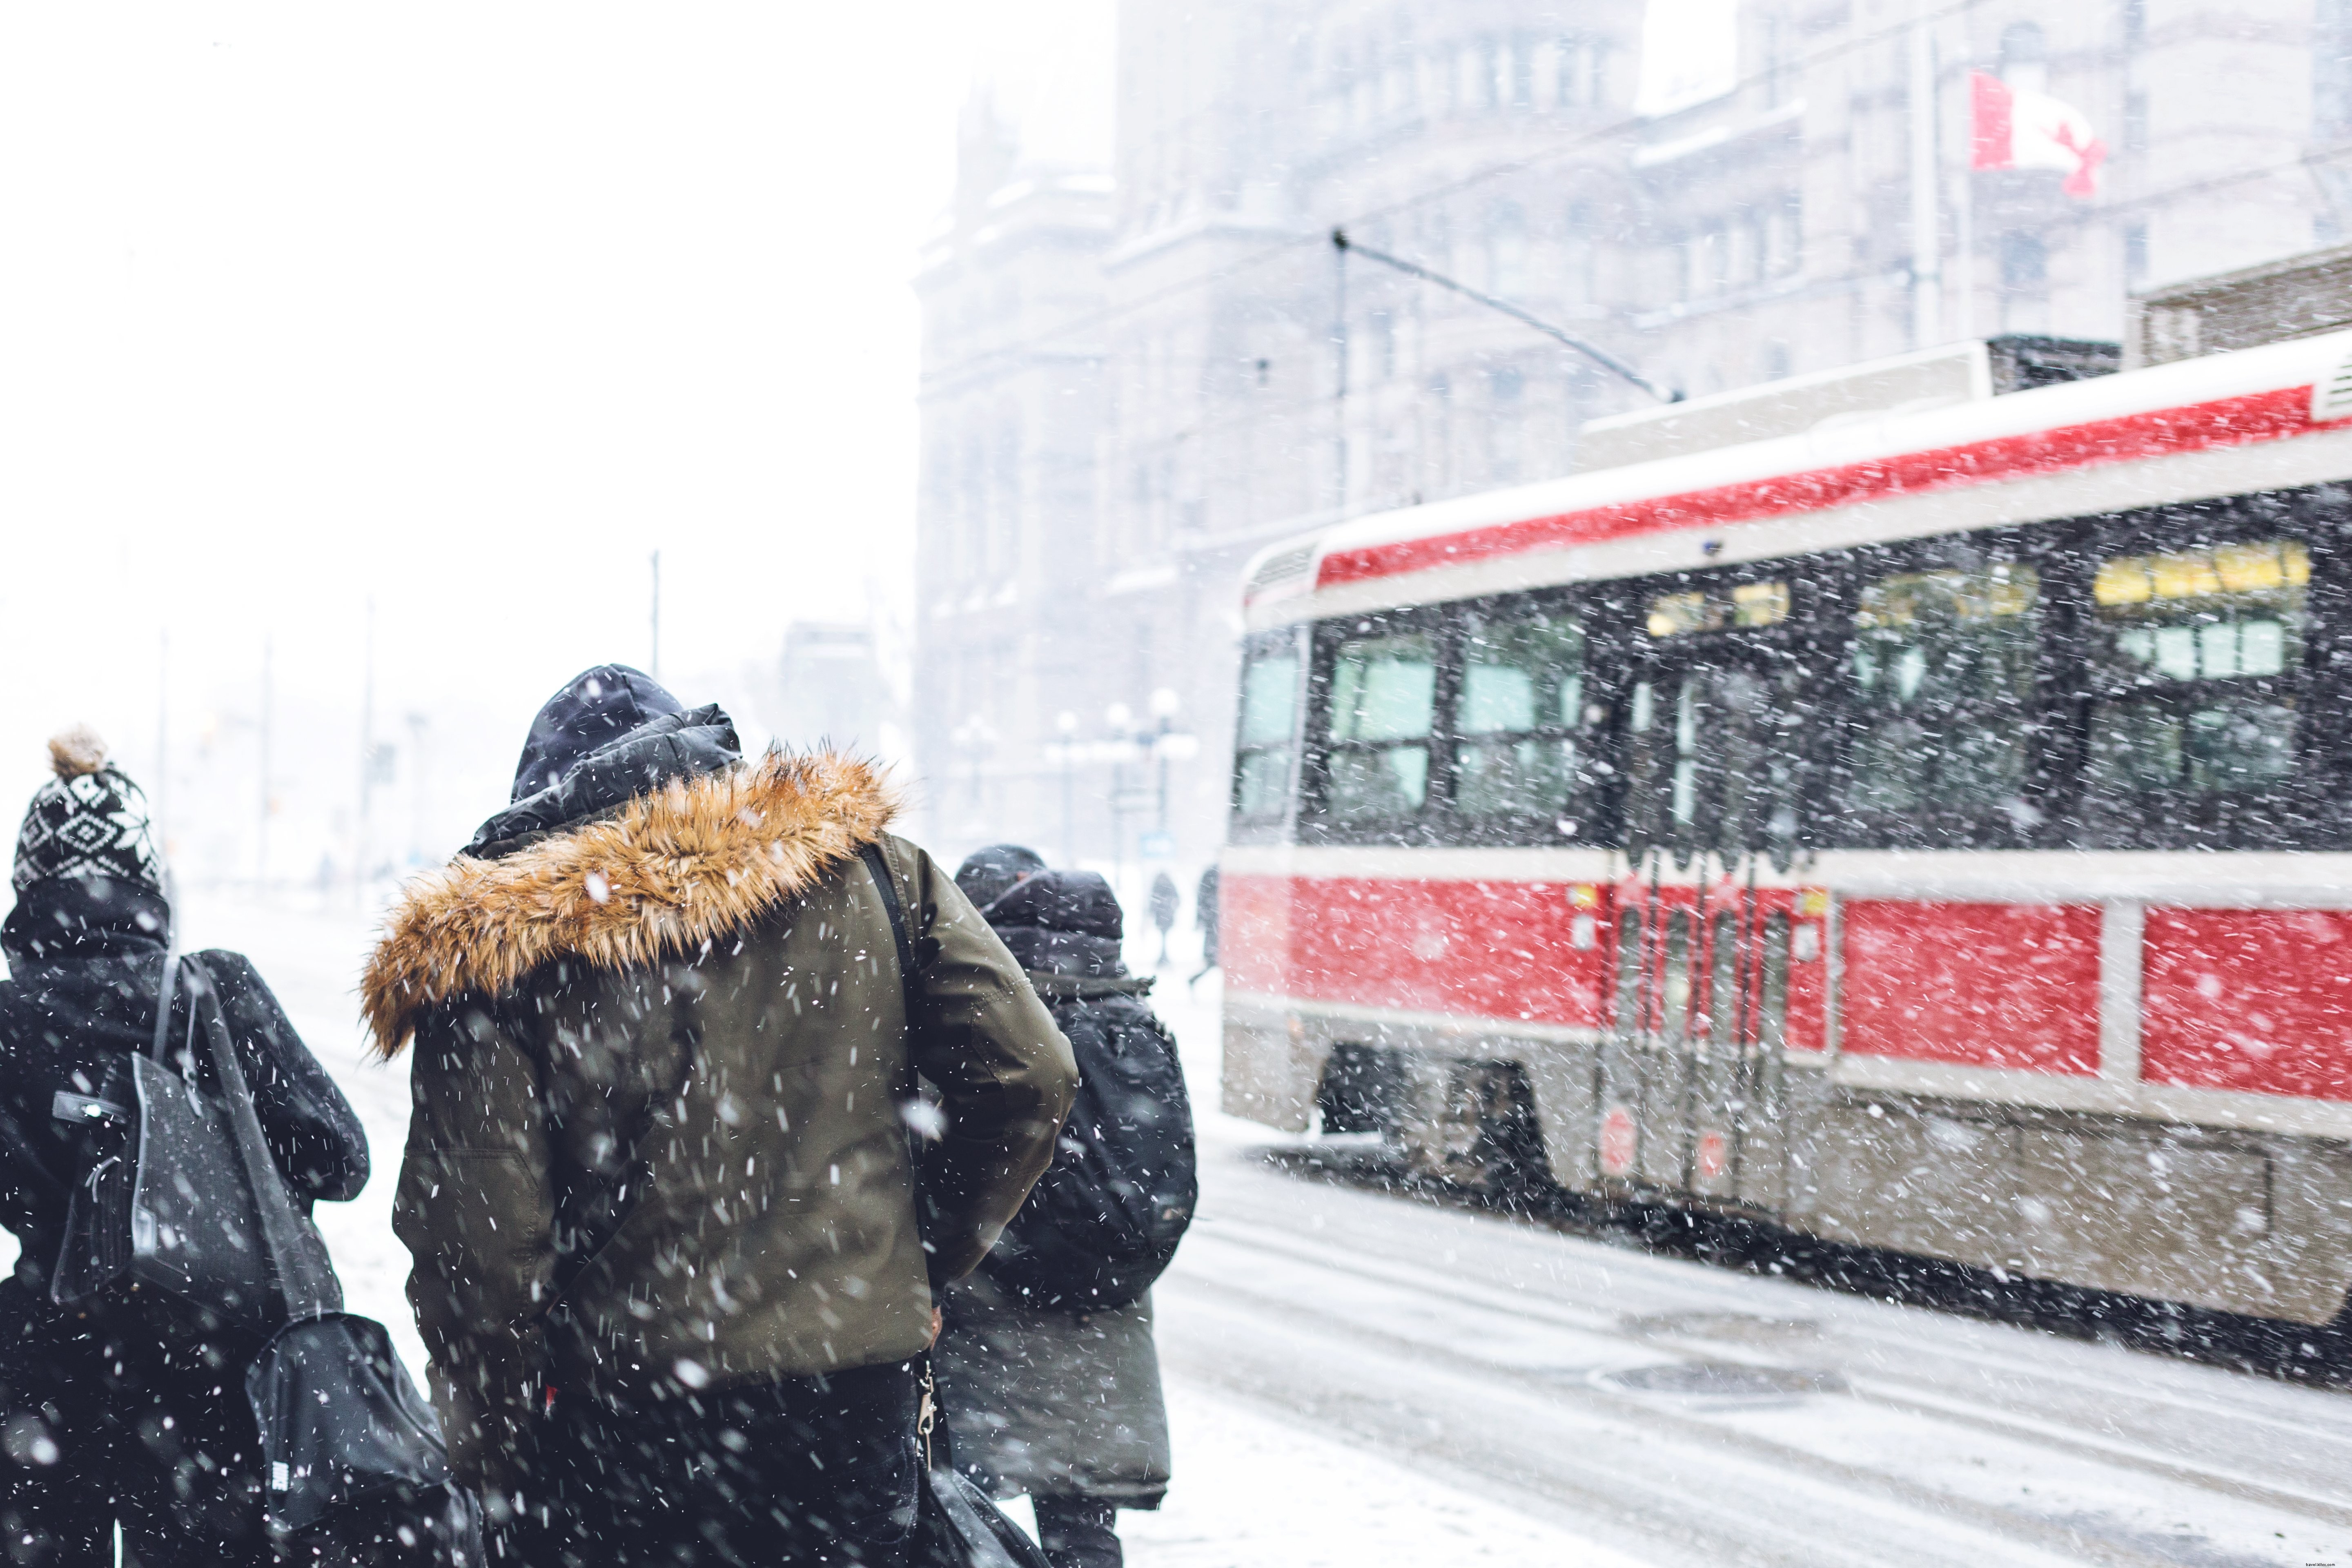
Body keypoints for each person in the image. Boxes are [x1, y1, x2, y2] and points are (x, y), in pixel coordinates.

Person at [368, 666, 1076, 1567]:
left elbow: (480, 1254)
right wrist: (918, 1263)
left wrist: (500, 1457)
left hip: (628, 1426)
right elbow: (1033, 1074)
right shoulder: (871, 873)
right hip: (849, 1405)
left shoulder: (501, 956)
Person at [0, 729, 370, 1567]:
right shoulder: (215, 992)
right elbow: (342, 1160)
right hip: (205, 1370)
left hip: (43, 1383)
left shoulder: (7, 1021)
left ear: (29, 889)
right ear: (146, 885)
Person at [938, 851, 1184, 1568]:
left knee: (962, 1519)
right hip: (1105, 1332)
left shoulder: (993, 1036)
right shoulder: (1139, 1029)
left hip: (991, 1328)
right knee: (1083, 1529)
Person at [1188, 864, 1218, 987]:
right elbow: (1202, 899)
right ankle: (1193, 980)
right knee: (1214, 960)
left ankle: (1194, 980)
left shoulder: (1213, 872)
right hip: (1215, 924)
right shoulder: (1214, 873)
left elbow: (1201, 899)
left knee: (1213, 961)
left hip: (1214, 924)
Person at [1145, 871, 1178, 970]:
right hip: (1167, 916)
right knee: (1164, 937)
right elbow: (1177, 899)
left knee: (1163, 937)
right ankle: (1164, 958)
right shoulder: (1170, 885)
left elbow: (1153, 902)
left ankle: (1163, 958)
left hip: (1161, 916)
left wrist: (1153, 912)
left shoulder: (1157, 885)